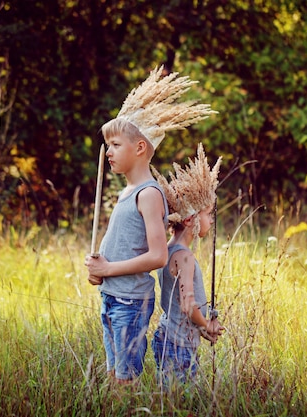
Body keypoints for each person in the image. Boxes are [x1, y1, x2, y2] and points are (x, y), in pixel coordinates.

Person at [84, 66, 216, 384]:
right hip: (114, 296)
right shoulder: (128, 191)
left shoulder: (149, 194)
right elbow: (120, 244)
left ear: (140, 148)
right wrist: (97, 266)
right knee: (114, 374)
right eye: (108, 145)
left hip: (130, 300)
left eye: (115, 144)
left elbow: (157, 256)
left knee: (124, 380)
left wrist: (108, 270)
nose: (108, 151)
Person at [151, 143, 225, 385]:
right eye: (208, 213)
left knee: (172, 400)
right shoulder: (184, 257)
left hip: (170, 337)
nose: (211, 220)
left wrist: (201, 328)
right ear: (192, 218)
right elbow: (187, 304)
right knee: (180, 403)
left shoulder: (168, 249)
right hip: (178, 345)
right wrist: (208, 324)